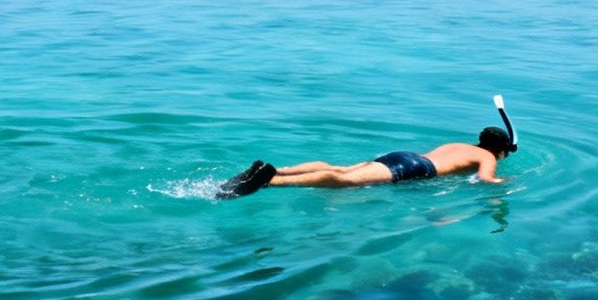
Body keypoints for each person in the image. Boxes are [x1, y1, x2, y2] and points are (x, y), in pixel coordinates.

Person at [217, 126, 513, 198]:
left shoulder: (459, 144)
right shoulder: (486, 156)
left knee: (341, 169)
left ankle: (274, 169)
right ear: (499, 150)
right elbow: (487, 179)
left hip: (403, 156)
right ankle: (270, 181)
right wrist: (507, 183)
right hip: (415, 169)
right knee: (344, 183)